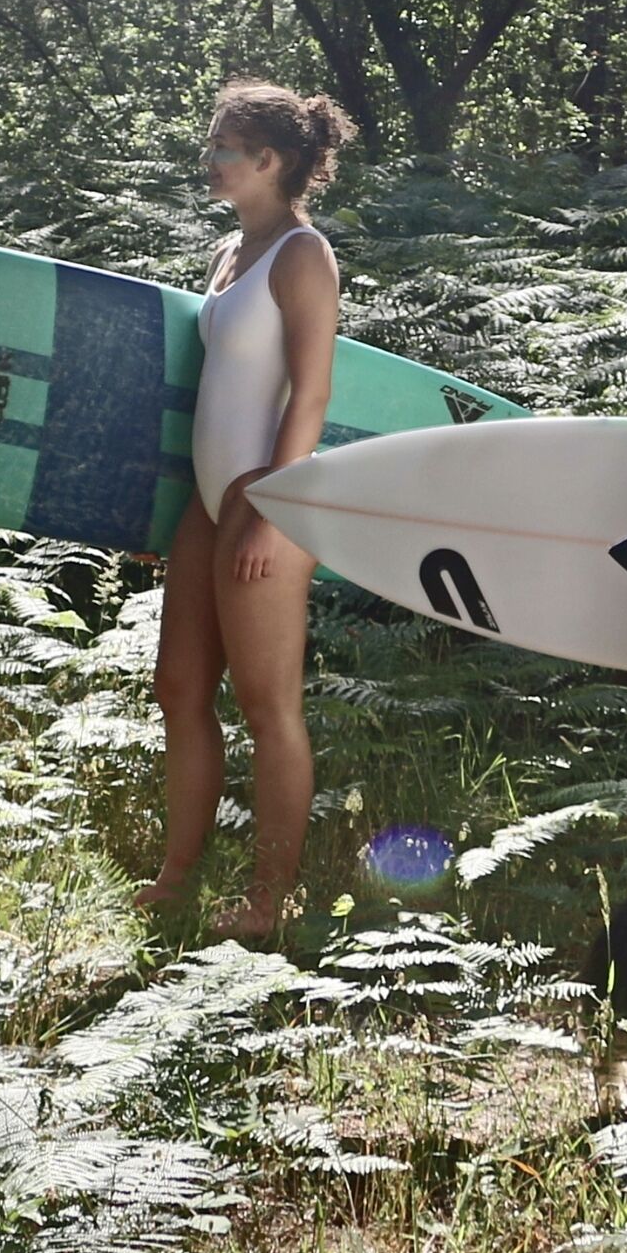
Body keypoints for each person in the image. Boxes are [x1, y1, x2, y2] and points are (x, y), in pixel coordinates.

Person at [148, 78, 353, 940]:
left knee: (268, 707)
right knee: (179, 688)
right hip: (206, 498)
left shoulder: (304, 255)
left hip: (265, 495)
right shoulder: (231, 252)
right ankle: (177, 877)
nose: (210, 159)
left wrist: (275, 508)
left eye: (223, 147)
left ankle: (271, 900)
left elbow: (311, 394)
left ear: (269, 160)